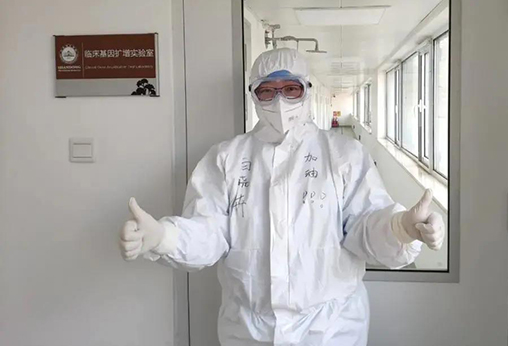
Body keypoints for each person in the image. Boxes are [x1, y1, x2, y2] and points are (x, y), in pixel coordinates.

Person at [120, 48, 445, 346]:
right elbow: (208, 231)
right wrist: (165, 236)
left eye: (291, 89)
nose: (279, 101)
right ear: (253, 95)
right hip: (248, 329)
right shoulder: (227, 158)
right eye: (267, 90)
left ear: (307, 90)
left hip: (331, 329)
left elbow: (364, 225)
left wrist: (401, 228)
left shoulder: (343, 154)